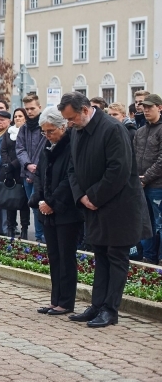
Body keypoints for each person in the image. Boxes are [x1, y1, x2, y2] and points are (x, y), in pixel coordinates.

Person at [60, 92, 151, 328]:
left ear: (85, 110)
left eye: (71, 119)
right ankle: (97, 305)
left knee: (116, 257)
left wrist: (94, 196)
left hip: (119, 205)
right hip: (93, 204)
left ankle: (110, 310)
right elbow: (72, 168)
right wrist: (81, 196)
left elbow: (118, 170)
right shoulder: (78, 131)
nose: (69, 124)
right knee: (100, 255)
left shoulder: (112, 129)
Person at [29, 106, 84, 316]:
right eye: (44, 131)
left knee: (66, 256)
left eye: (51, 131)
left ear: (63, 127)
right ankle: (55, 299)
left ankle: (66, 302)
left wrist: (52, 201)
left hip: (67, 211)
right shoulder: (48, 146)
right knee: (53, 256)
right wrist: (40, 198)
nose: (47, 135)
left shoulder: (71, 146)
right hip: (47, 210)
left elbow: (69, 181)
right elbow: (41, 175)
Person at [134, 93, 162, 265]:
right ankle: (148, 257)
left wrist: (146, 178)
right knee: (145, 224)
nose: (145, 110)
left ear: (159, 107)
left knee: (160, 225)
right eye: (144, 107)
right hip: (141, 185)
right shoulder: (140, 131)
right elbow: (133, 157)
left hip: (157, 185)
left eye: (149, 107)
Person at [16, 94, 45, 243]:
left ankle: (41, 237)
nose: (30, 111)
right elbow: (19, 149)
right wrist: (27, 165)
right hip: (26, 172)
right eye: (27, 109)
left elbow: (44, 150)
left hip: (40, 175)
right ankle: (40, 238)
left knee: (39, 206)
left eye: (32, 108)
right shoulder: (24, 129)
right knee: (32, 205)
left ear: (39, 107)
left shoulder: (45, 125)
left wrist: (35, 170)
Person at [1, 108, 29, 238]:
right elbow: (4, 150)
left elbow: (25, 152)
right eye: (16, 116)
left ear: (25, 118)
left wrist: (13, 165)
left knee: (23, 202)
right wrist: (7, 165)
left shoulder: (26, 132)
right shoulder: (9, 132)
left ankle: (24, 230)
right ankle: (10, 228)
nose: (17, 118)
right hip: (10, 172)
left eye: (20, 116)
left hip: (22, 170)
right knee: (10, 200)